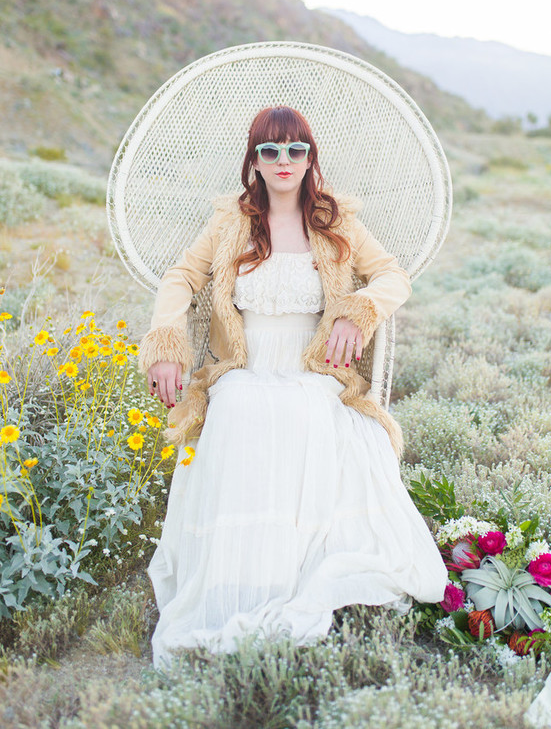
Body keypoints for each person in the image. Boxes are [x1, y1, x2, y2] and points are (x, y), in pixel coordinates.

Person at [139, 105, 447, 669]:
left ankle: (297, 576)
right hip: (248, 369)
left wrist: (359, 311)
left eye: (295, 150)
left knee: (308, 415)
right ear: (253, 161)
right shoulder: (231, 221)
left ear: (310, 158)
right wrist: (166, 342)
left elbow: (392, 276)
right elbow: (182, 276)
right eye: (270, 151)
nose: (284, 162)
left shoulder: (337, 221)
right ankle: (242, 581)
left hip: (313, 371)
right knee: (238, 415)